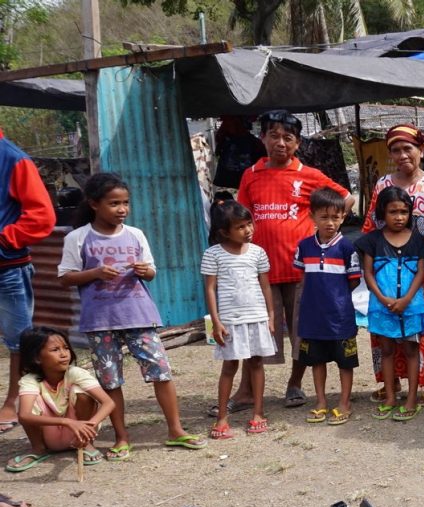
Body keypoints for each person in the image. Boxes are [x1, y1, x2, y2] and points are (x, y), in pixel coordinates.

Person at [58, 173, 205, 457]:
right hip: (100, 321)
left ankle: (176, 430)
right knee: (110, 380)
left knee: (161, 372)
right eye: (114, 203)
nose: (122, 209)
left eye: (125, 203)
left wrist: (144, 271)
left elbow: (151, 271)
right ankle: (121, 437)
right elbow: (65, 278)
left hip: (139, 315)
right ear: (93, 204)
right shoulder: (78, 238)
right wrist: (95, 273)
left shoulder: (135, 234)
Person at [235, 110, 352, 410]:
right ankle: (246, 390)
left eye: (288, 138)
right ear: (262, 138)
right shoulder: (251, 175)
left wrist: (328, 229)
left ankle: (295, 385)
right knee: (259, 330)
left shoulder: (309, 176)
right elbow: (241, 217)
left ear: (298, 143)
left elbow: (345, 197)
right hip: (261, 271)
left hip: (303, 272)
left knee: (303, 330)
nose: (281, 143)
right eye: (274, 135)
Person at [363, 124, 424, 410]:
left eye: (407, 148)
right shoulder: (383, 185)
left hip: (423, 268)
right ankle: (391, 383)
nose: (402, 155)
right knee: (385, 323)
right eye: (395, 150)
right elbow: (372, 227)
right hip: (386, 269)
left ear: (421, 149)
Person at [202, 202, 275, 439]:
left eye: (249, 224)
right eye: (240, 227)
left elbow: (265, 286)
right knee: (229, 366)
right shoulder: (213, 254)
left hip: (256, 317)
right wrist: (216, 321)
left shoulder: (258, 252)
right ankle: (222, 417)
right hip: (230, 320)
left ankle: (258, 413)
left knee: (256, 363)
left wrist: (271, 316)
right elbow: (210, 289)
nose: (248, 230)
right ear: (224, 232)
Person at [0, 127, 56, 436]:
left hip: (7, 267)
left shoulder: (13, 159)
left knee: (18, 340)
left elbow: (41, 216)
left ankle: (14, 399)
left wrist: (5, 238)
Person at [359, 187, 424, 422]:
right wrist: (383, 298)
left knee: (411, 350)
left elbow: (421, 273)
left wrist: (407, 299)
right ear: (382, 212)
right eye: (393, 212)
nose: (399, 217)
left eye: (404, 211)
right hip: (382, 308)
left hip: (411, 307)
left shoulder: (418, 240)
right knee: (387, 351)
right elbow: (368, 273)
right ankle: (390, 396)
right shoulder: (372, 241)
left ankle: (412, 398)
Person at [5, 327, 115, 474]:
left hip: (79, 435)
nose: (64, 354)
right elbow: (24, 415)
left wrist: (88, 428)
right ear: (37, 358)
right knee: (27, 400)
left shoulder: (75, 373)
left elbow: (109, 403)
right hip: (50, 436)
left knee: (81, 392)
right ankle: (39, 449)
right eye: (55, 350)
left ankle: (87, 445)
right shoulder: (29, 380)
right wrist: (67, 422)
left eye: (66, 348)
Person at [295, 188, 361, 426]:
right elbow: (303, 277)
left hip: (340, 318)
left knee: (345, 362)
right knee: (316, 361)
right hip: (312, 318)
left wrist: (336, 300)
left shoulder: (347, 248)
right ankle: (321, 401)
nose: (330, 223)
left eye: (335, 217)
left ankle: (345, 402)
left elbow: (353, 281)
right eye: (324, 217)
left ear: (343, 217)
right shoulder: (304, 247)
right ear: (312, 216)